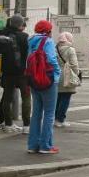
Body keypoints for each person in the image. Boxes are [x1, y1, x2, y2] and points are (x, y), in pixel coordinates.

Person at [26, 19, 62, 155]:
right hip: (47, 79)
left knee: (36, 113)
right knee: (49, 114)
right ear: (48, 31)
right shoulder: (48, 41)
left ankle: (32, 145)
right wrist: (57, 75)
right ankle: (45, 146)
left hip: (33, 79)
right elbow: (52, 59)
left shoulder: (30, 41)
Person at [0, 15, 30, 133]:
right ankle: (26, 126)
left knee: (7, 98)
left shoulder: (1, 37)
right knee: (26, 98)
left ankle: (8, 124)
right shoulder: (24, 37)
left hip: (7, 73)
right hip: (22, 73)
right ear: (20, 25)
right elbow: (28, 54)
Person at [55, 32, 81, 129]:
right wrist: (76, 74)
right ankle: (60, 120)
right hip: (67, 76)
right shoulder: (70, 50)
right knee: (65, 98)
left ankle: (55, 118)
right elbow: (74, 65)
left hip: (56, 76)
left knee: (57, 98)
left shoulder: (55, 48)